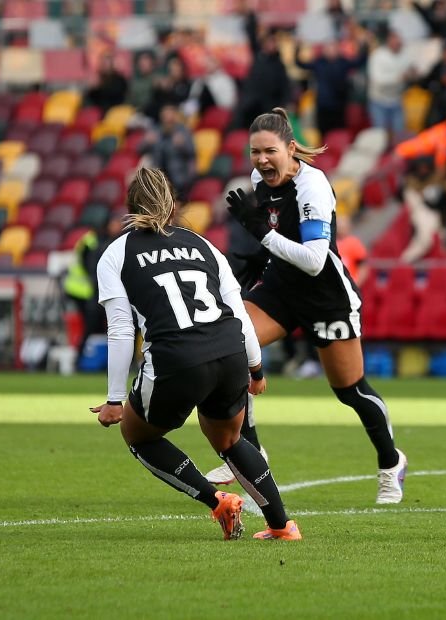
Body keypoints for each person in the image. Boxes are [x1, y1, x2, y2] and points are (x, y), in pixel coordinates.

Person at [204, 108, 407, 504]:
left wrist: (261, 235)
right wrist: (257, 259)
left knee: (350, 390)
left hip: (326, 297)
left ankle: (390, 462)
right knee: (230, 346)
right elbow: (280, 234)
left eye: (270, 151)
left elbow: (315, 260)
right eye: (254, 152)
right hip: (280, 289)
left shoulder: (312, 186)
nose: (261, 160)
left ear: (291, 149)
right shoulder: (257, 180)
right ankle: (250, 454)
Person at [90, 167, 301, 541]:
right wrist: (255, 367)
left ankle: (217, 500)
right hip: (229, 353)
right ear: (173, 204)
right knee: (229, 440)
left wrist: (114, 400)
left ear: (130, 206)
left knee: (138, 435)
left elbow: (122, 329)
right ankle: (282, 526)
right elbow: (237, 311)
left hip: (176, 360)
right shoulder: (202, 244)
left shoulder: (115, 254)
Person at [393, 96, 446, 262]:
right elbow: (417, 145)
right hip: (439, 183)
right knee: (430, 217)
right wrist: (399, 152)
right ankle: (405, 264)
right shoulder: (441, 132)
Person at [63, 216, 124, 361]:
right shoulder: (94, 242)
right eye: (114, 223)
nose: (118, 227)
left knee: (100, 326)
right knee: (92, 326)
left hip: (90, 290)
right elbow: (92, 268)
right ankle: (82, 358)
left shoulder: (99, 241)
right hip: (85, 291)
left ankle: (94, 359)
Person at [294, 37, 369, 136]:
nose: (331, 51)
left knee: (339, 133)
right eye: (328, 48)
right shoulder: (319, 63)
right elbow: (300, 64)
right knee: (323, 133)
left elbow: (359, 62)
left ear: (338, 49)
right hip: (323, 106)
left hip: (339, 106)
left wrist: (364, 46)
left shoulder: (343, 62)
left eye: (333, 48)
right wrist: (297, 48)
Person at [139, 104, 196, 200]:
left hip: (177, 176)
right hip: (158, 175)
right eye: (165, 116)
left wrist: (182, 146)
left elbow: (192, 153)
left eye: (170, 117)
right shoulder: (156, 130)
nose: (168, 120)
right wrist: (147, 143)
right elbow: (139, 150)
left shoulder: (183, 131)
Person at [366, 29, 414, 139]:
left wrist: (413, 73)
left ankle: (397, 155)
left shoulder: (405, 55)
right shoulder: (378, 55)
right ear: (389, 40)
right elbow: (377, 79)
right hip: (379, 101)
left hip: (396, 100)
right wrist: (399, 77)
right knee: (380, 136)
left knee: (399, 135)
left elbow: (413, 70)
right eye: (395, 40)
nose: (398, 43)